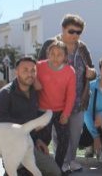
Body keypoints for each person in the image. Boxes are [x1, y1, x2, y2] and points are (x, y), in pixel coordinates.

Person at [38, 14, 96, 173]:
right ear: (63, 29)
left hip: (78, 100)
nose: (75, 35)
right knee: (59, 135)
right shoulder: (51, 44)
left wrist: (92, 73)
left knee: (75, 133)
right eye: (72, 31)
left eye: (79, 32)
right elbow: (39, 67)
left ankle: (71, 160)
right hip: (55, 101)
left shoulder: (82, 47)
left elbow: (91, 69)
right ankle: (61, 162)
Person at [0, 57, 61, 176]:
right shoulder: (5, 93)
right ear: (16, 72)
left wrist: (37, 139)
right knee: (14, 171)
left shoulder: (35, 92)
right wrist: (30, 126)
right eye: (25, 70)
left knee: (55, 172)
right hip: (11, 146)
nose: (30, 74)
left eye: (33, 70)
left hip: (30, 144)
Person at [34, 40, 76, 168]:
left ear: (65, 56)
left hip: (61, 111)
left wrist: (66, 114)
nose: (55, 57)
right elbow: (26, 70)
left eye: (59, 54)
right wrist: (35, 80)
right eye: (52, 54)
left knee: (64, 140)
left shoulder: (70, 71)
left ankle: (57, 168)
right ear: (48, 54)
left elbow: (71, 95)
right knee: (43, 140)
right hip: (43, 111)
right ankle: (39, 166)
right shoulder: (39, 66)